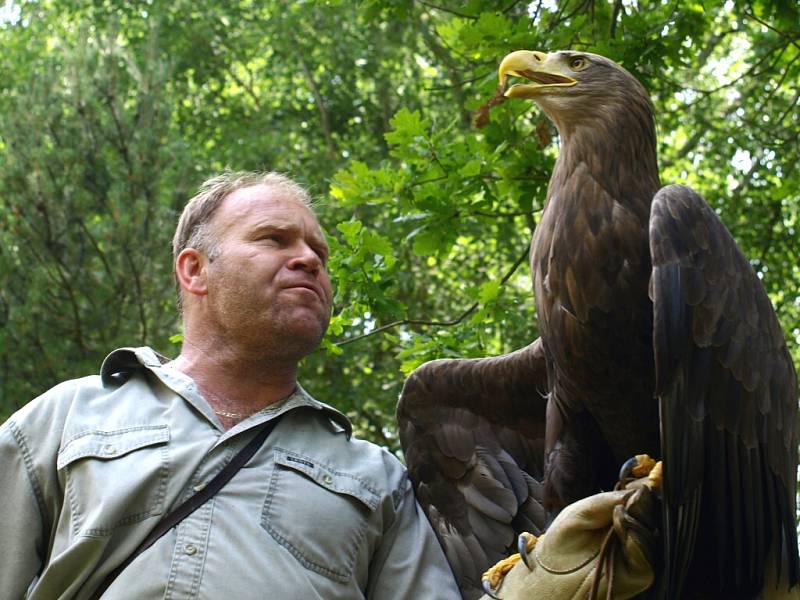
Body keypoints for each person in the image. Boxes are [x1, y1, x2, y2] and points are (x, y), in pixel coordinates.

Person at [0, 171, 462, 599]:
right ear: (195, 270)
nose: (308, 259)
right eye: (274, 239)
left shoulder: (377, 479)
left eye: (319, 254)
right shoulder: (64, 419)